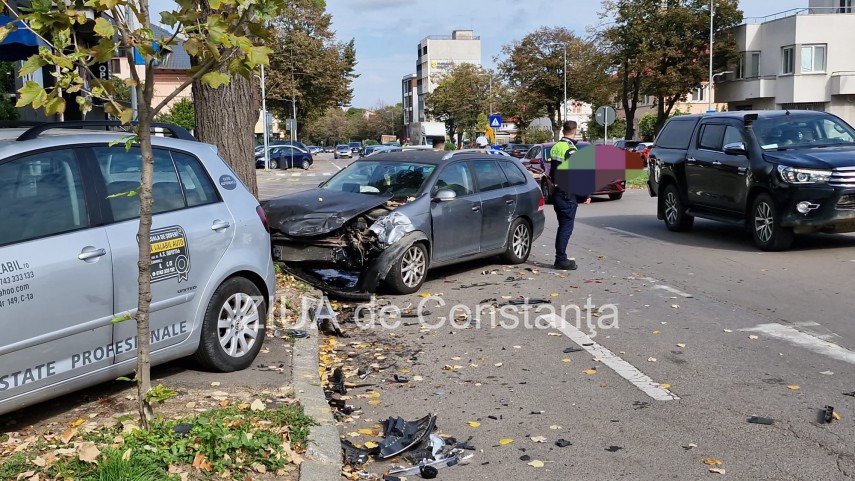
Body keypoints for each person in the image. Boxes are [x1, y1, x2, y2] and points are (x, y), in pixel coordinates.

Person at [549, 120, 590, 271]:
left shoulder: (556, 146)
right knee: (566, 227)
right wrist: (586, 193)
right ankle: (561, 259)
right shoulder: (570, 149)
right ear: (575, 131)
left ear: (563, 131)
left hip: (557, 192)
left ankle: (560, 257)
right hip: (567, 195)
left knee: (562, 226)